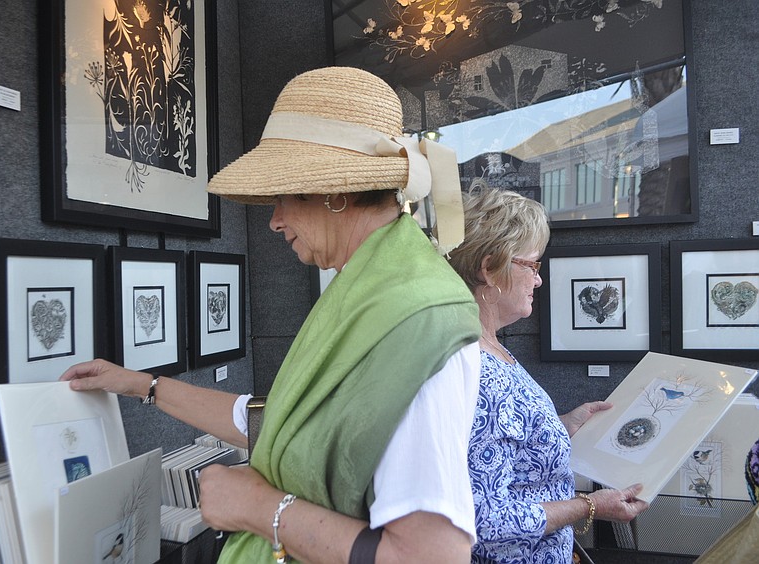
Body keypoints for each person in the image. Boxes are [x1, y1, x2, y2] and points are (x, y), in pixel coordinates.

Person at [62, 66, 484, 563]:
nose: (274, 220)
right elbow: (278, 423)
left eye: (281, 197)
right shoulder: (373, 292)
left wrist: (257, 508)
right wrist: (140, 385)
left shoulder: (415, 321)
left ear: (335, 193)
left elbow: (432, 555)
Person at [445, 186, 649, 564]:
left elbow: (505, 444)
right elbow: (485, 522)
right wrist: (588, 505)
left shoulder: (492, 349)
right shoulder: (476, 370)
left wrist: (564, 424)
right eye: (533, 265)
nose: (538, 280)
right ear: (489, 269)